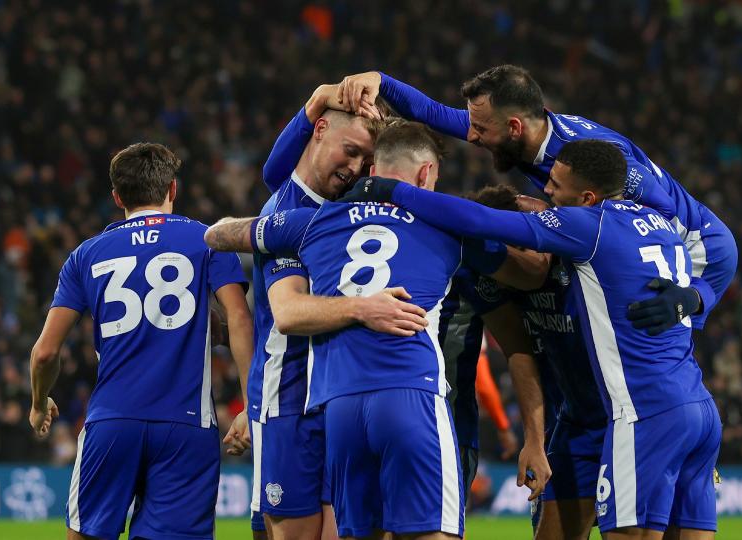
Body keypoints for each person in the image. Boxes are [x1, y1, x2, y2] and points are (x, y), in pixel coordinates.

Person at [342, 139, 721, 539]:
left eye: (556, 185)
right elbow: (716, 249)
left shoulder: (583, 233)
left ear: (587, 198)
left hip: (641, 410)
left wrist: (392, 191)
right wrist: (698, 296)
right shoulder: (656, 219)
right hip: (601, 419)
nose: (547, 192)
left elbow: (481, 222)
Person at [205, 120, 551, 539]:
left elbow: (219, 233)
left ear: (373, 169)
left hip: (341, 407)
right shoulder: (447, 227)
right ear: (425, 175)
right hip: (412, 394)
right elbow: (530, 275)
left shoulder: (312, 222)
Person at [335, 66, 736, 334]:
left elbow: (660, 208)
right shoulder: (529, 135)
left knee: (643, 352)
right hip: (651, 245)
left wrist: (697, 295)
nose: (471, 136)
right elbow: (433, 112)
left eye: (479, 128)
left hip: (698, 251)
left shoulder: (591, 153)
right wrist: (380, 80)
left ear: (513, 127)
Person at [28, 142, 254, 540]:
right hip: (187, 426)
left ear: (117, 197)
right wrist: (250, 404)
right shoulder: (208, 241)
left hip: (112, 421)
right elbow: (238, 317)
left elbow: (45, 352)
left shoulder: (86, 256)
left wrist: (37, 402)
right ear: (172, 190)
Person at [238, 85, 430, 540]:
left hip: (339, 401)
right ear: (320, 130)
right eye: (349, 151)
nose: (354, 169)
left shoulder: (340, 209)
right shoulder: (284, 212)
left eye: (365, 161)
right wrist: (366, 309)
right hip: (289, 400)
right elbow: (288, 314)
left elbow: (275, 165)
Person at [470, 185, 607, 540]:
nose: (533, 254)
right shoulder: (494, 282)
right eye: (518, 246)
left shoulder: (580, 259)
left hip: (625, 422)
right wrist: (534, 441)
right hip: (567, 431)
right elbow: (520, 353)